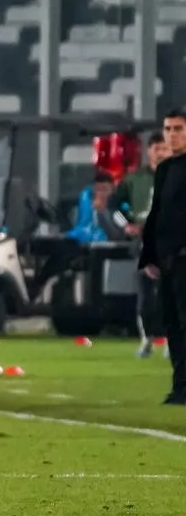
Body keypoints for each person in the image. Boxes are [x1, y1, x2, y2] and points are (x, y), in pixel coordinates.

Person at [140, 108, 186, 405]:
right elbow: (157, 215)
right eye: (168, 129)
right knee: (172, 323)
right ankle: (180, 386)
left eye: (178, 129)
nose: (172, 135)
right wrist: (150, 256)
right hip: (169, 260)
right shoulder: (166, 169)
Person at [111, 132, 171, 358]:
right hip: (143, 241)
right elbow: (114, 207)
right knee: (146, 294)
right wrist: (126, 225)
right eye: (156, 148)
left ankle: (172, 342)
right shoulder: (134, 179)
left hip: (172, 241)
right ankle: (147, 340)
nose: (160, 152)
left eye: (164, 148)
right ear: (149, 151)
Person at [65, 173, 122, 243]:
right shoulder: (86, 207)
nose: (101, 193)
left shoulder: (117, 211)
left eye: (105, 189)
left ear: (112, 190)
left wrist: (102, 212)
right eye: (98, 189)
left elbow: (117, 235)